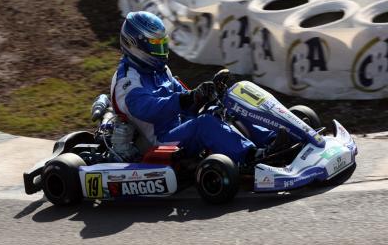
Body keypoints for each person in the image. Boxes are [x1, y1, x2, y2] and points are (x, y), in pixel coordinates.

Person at [110, 11, 286, 167]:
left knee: (227, 105)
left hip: (180, 125)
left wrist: (204, 94)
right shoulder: (127, 81)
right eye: (155, 44)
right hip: (160, 141)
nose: (161, 49)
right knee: (204, 124)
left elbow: (183, 94)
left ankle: (272, 139)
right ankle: (251, 156)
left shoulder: (158, 70)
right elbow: (147, 109)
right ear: (136, 45)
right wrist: (186, 99)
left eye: (162, 43)